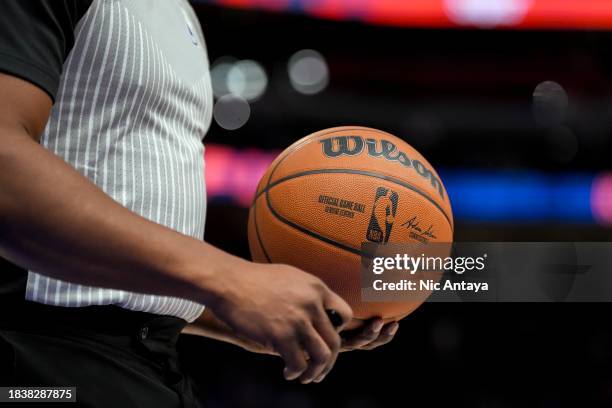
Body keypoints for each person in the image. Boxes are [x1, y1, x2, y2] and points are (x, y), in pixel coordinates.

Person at [0, 1, 400, 406]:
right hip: (38, 360)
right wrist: (229, 280)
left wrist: (227, 314)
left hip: (150, 358)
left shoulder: (180, 12)